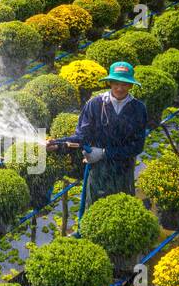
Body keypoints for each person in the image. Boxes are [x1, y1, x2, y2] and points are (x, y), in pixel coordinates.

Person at [48, 60, 148, 207]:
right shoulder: (95, 104)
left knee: (120, 206)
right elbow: (82, 137)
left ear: (131, 85)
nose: (120, 88)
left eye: (124, 84)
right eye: (116, 83)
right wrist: (57, 144)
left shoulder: (138, 109)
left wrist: (103, 153)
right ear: (110, 82)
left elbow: (137, 146)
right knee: (94, 207)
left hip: (123, 169)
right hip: (98, 170)